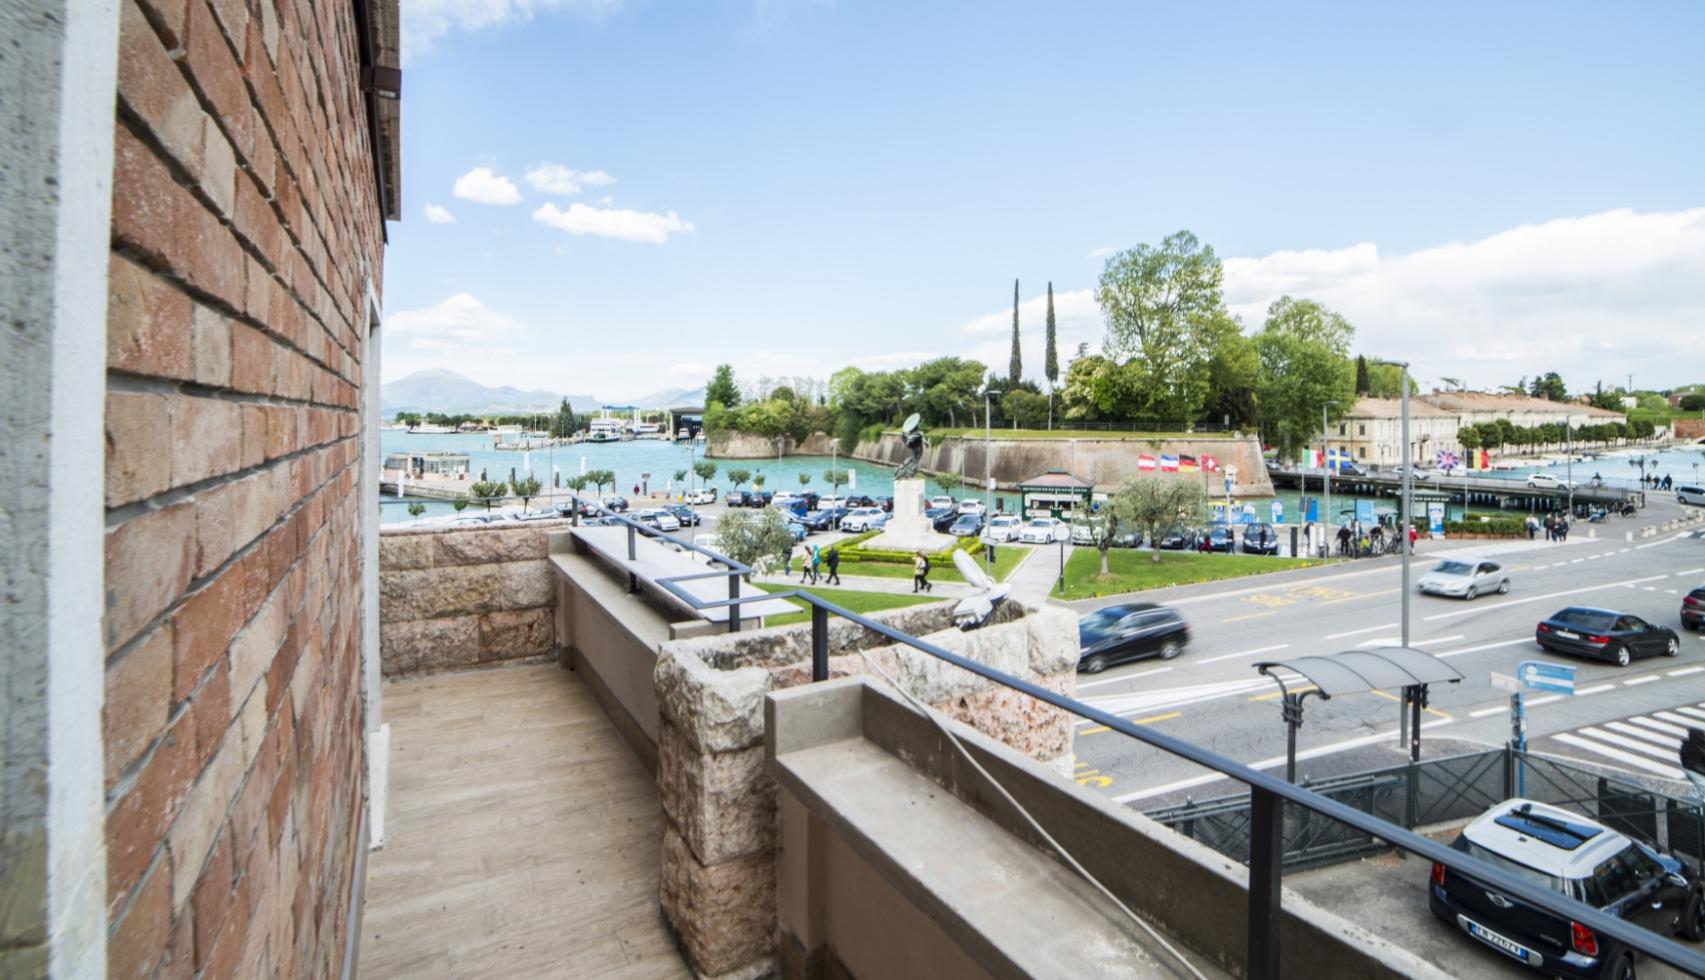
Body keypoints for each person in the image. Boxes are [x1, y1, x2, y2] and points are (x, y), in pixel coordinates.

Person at [1682, 728, 1705, 802]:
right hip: (1694, 770)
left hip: (1696, 770)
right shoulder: (1689, 747)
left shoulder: (1699, 745)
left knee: (1699, 788)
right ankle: (1693, 806)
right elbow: (1694, 764)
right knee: (1702, 787)